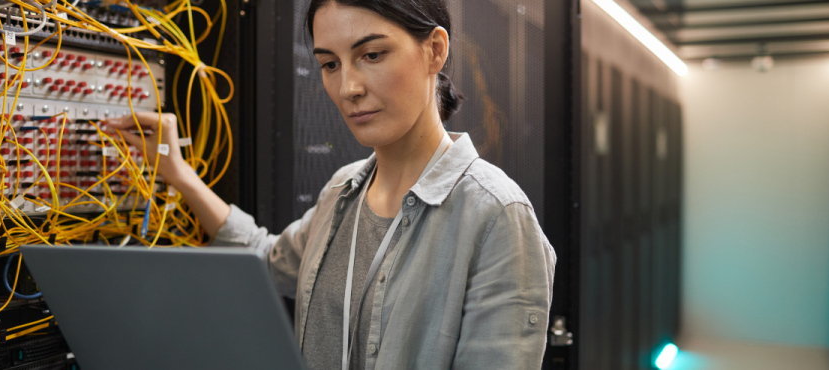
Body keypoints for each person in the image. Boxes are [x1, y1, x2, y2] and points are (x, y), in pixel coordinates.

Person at [104, 0, 556, 368]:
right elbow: (268, 260)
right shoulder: (345, 191)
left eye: (372, 55)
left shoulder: (496, 217)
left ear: (435, 50)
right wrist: (178, 175)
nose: (348, 87)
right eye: (329, 64)